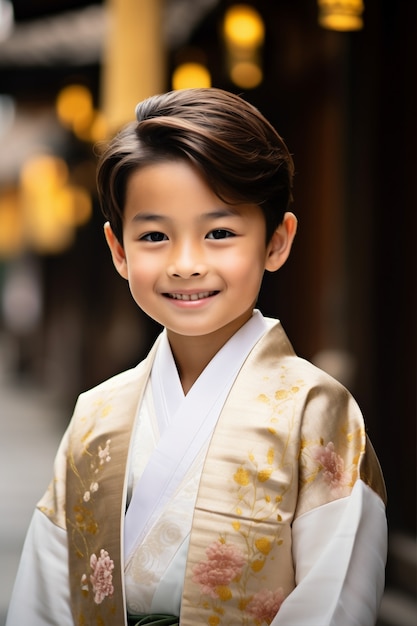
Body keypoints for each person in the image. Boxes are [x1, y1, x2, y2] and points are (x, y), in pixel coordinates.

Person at [6, 88, 387, 626]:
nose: (186, 263)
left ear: (277, 241)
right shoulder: (96, 414)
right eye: (155, 235)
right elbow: (43, 601)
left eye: (220, 233)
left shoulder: (316, 411)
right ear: (119, 250)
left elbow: (335, 604)